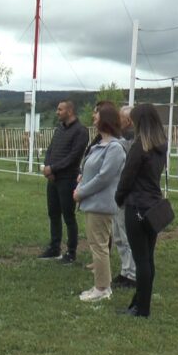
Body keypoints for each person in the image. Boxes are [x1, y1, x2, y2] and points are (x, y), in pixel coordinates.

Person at [115, 103, 168, 318]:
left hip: (136, 206)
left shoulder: (139, 147)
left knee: (141, 260)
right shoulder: (160, 146)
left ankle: (141, 308)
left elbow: (127, 177)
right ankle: (139, 302)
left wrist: (119, 198)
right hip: (153, 206)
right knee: (148, 258)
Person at [73, 103, 126, 302]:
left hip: (101, 205)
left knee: (99, 247)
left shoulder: (115, 148)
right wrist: (82, 179)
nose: (93, 117)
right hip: (92, 203)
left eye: (96, 114)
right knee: (96, 245)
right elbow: (91, 170)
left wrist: (81, 192)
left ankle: (102, 288)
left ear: (106, 118)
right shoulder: (99, 145)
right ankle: (102, 285)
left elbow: (104, 177)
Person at [39, 100, 90, 262]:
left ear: (70, 111)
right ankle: (54, 248)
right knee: (53, 213)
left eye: (60, 109)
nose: (57, 112)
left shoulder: (81, 131)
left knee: (68, 216)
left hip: (67, 179)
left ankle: (71, 252)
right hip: (53, 179)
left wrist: (53, 168)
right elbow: (50, 150)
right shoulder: (59, 129)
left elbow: (74, 157)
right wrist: (48, 168)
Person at [111, 106, 137, 288]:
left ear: (128, 121)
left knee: (126, 235)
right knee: (118, 236)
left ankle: (132, 274)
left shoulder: (132, 140)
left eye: (119, 118)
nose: (117, 121)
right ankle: (125, 270)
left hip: (126, 195)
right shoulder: (122, 138)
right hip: (117, 192)